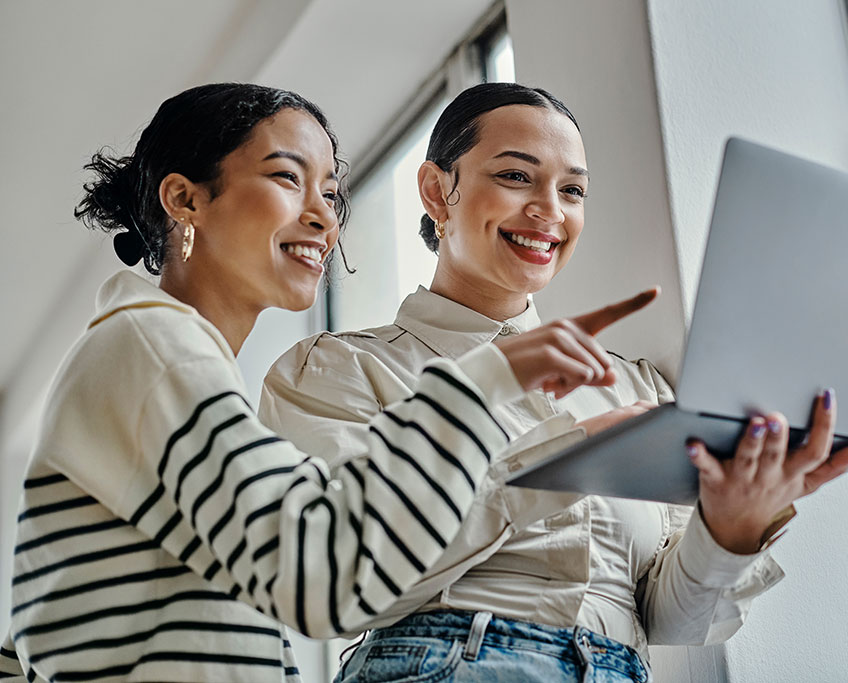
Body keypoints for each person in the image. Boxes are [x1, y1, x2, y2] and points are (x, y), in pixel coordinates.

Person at [0, 82, 654, 683]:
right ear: (185, 199)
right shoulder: (155, 345)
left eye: (332, 193)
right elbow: (326, 576)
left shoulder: (173, 360)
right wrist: (488, 380)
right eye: (288, 177)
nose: (322, 216)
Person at [260, 83, 848, 682]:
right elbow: (342, 583)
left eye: (572, 189)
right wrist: (565, 462)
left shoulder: (637, 389)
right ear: (437, 191)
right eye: (516, 177)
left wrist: (733, 526)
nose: (550, 209)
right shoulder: (338, 369)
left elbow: (670, 622)